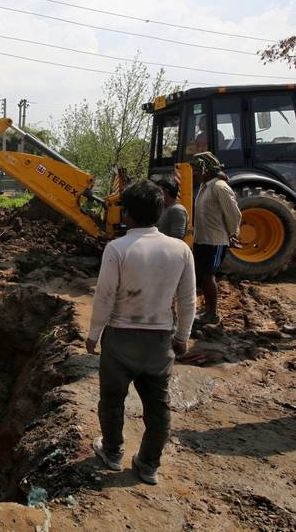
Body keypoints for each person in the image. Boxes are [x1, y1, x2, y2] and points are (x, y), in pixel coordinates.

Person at [86, 180, 196, 485]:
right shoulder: (180, 250)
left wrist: (94, 334)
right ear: (160, 211)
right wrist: (183, 337)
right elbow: (187, 300)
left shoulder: (117, 248)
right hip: (159, 340)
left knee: (111, 401)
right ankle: (148, 465)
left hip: (119, 338)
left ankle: (112, 452)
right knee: (158, 408)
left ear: (127, 214)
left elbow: (105, 296)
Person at [191, 152, 242, 325]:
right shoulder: (205, 187)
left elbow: (234, 214)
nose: (195, 173)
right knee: (203, 275)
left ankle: (212, 314)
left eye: (198, 170)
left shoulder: (220, 187)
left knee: (208, 276)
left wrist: (232, 234)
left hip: (214, 240)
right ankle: (207, 309)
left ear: (207, 170)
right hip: (202, 239)